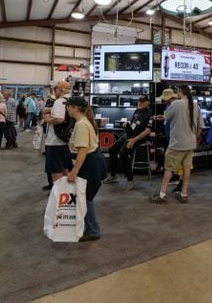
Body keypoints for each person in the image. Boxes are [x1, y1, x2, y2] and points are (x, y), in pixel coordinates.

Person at [150, 85, 205, 204]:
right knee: (186, 169)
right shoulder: (195, 105)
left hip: (177, 144)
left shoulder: (176, 104)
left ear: (180, 92)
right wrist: (195, 139)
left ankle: (162, 194)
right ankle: (184, 194)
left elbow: (167, 117)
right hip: (190, 144)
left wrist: (161, 117)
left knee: (169, 169)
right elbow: (200, 127)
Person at [64, 97, 106, 242]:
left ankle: (93, 231)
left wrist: (74, 172)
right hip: (92, 162)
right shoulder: (83, 122)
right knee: (84, 198)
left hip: (89, 164)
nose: (67, 108)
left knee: (85, 198)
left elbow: (82, 150)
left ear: (76, 108)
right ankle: (90, 228)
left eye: (68, 106)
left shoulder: (82, 124)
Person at [103, 96, 153, 190]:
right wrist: (127, 124)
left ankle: (130, 179)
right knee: (112, 150)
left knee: (123, 154)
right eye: (139, 101)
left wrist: (134, 140)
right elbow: (133, 122)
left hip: (138, 138)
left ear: (147, 103)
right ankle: (113, 175)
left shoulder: (149, 114)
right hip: (128, 134)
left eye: (142, 102)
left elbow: (147, 131)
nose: (140, 103)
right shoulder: (137, 110)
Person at [43, 82, 72, 187]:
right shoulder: (71, 101)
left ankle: (58, 197)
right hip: (66, 141)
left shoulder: (60, 101)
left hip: (55, 142)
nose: (54, 92)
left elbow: (59, 119)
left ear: (61, 90)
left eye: (55, 89)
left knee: (56, 172)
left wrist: (47, 119)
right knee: (65, 170)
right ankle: (66, 195)